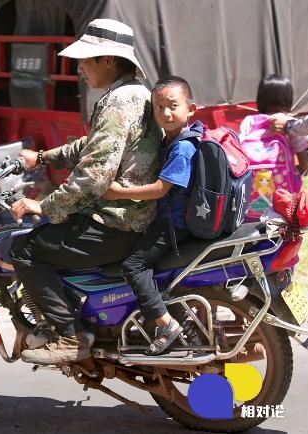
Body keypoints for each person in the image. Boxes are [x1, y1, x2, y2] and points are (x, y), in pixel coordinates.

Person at [8, 18, 162, 366]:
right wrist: (44, 157)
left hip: (117, 223)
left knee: (23, 249)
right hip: (134, 217)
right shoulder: (135, 93)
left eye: (86, 60)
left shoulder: (118, 102)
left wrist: (45, 206)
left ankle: (69, 336)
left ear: (108, 60)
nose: (79, 69)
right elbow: (93, 146)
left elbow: (95, 175)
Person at [103, 76, 202, 355]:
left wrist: (119, 192)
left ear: (191, 108)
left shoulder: (182, 147)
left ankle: (165, 322)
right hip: (171, 219)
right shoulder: (172, 138)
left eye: (173, 106)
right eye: (159, 107)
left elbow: (161, 189)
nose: (166, 113)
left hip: (174, 224)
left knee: (133, 266)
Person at [241, 75, 308, 176]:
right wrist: (298, 172)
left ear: (260, 99)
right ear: (289, 99)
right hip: (284, 186)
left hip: (253, 184)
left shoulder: (249, 121)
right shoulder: (290, 124)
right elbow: (303, 163)